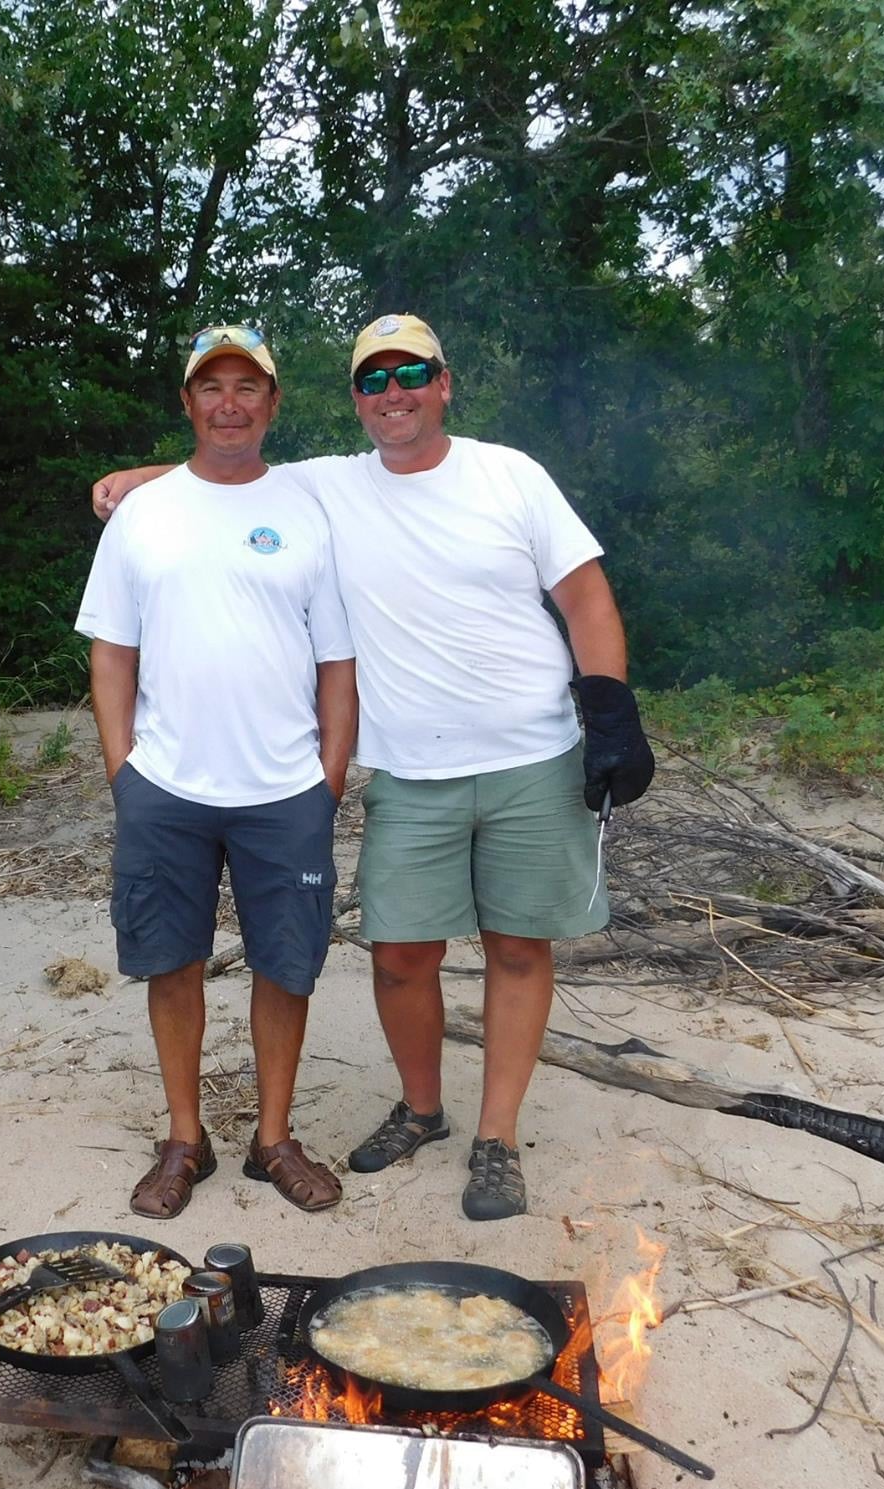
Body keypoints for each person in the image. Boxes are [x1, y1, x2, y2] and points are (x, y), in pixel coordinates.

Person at [92, 314, 655, 1221]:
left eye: (412, 374)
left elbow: (585, 596)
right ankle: (421, 1110)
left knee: (518, 946)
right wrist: (135, 479)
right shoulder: (332, 485)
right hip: (408, 767)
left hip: (533, 750)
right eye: (374, 379)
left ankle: (496, 1139)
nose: (394, 393)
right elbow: (227, 472)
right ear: (356, 399)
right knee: (398, 955)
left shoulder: (510, 475)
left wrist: (611, 712)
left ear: (444, 383)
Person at [77, 323, 358, 1220]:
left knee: (287, 967)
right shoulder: (144, 515)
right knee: (173, 963)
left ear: (273, 402)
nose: (229, 404)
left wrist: (329, 778)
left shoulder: (309, 508)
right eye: (211, 386)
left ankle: (274, 1141)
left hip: (286, 790)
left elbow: (337, 661)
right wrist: (124, 772)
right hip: (166, 788)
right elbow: (111, 652)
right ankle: (184, 1140)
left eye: (247, 387)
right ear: (188, 401)